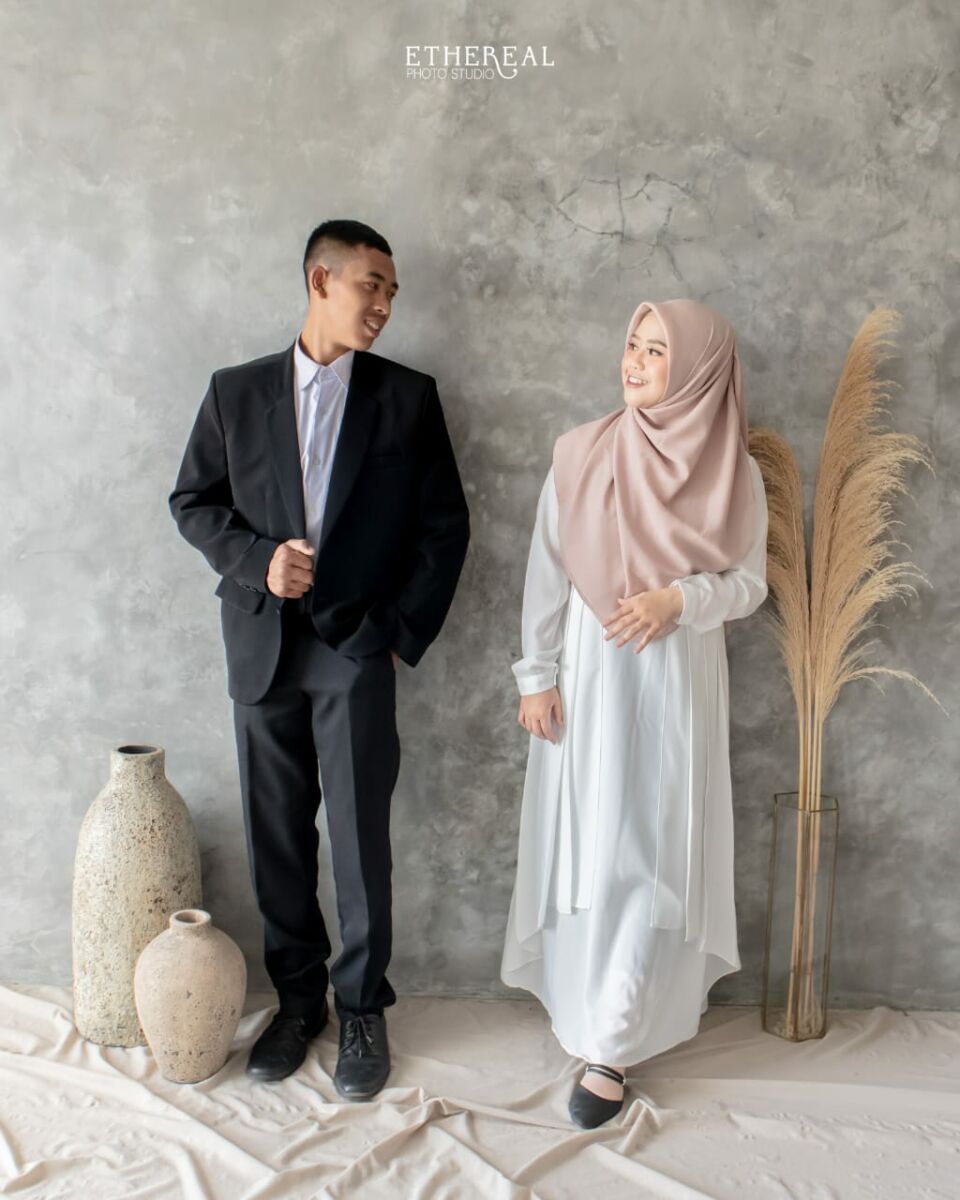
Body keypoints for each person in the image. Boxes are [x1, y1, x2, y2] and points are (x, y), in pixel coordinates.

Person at [169, 220, 470, 1098]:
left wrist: (397, 635)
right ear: (320, 280)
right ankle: (298, 1004)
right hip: (260, 641)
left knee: (360, 835)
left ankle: (363, 1008)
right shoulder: (234, 392)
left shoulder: (408, 398)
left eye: (392, 292)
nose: (384, 305)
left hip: (356, 646)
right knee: (276, 836)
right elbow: (192, 501)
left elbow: (444, 528)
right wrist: (257, 559)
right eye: (372, 285)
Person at [500, 298, 769, 1129]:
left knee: (649, 848)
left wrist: (678, 600)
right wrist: (535, 675)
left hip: (675, 679)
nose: (636, 362)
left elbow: (748, 584)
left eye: (658, 352)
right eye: (633, 344)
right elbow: (548, 571)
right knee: (590, 843)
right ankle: (586, 1010)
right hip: (588, 677)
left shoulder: (734, 472)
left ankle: (611, 1043)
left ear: (698, 373)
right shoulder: (581, 453)